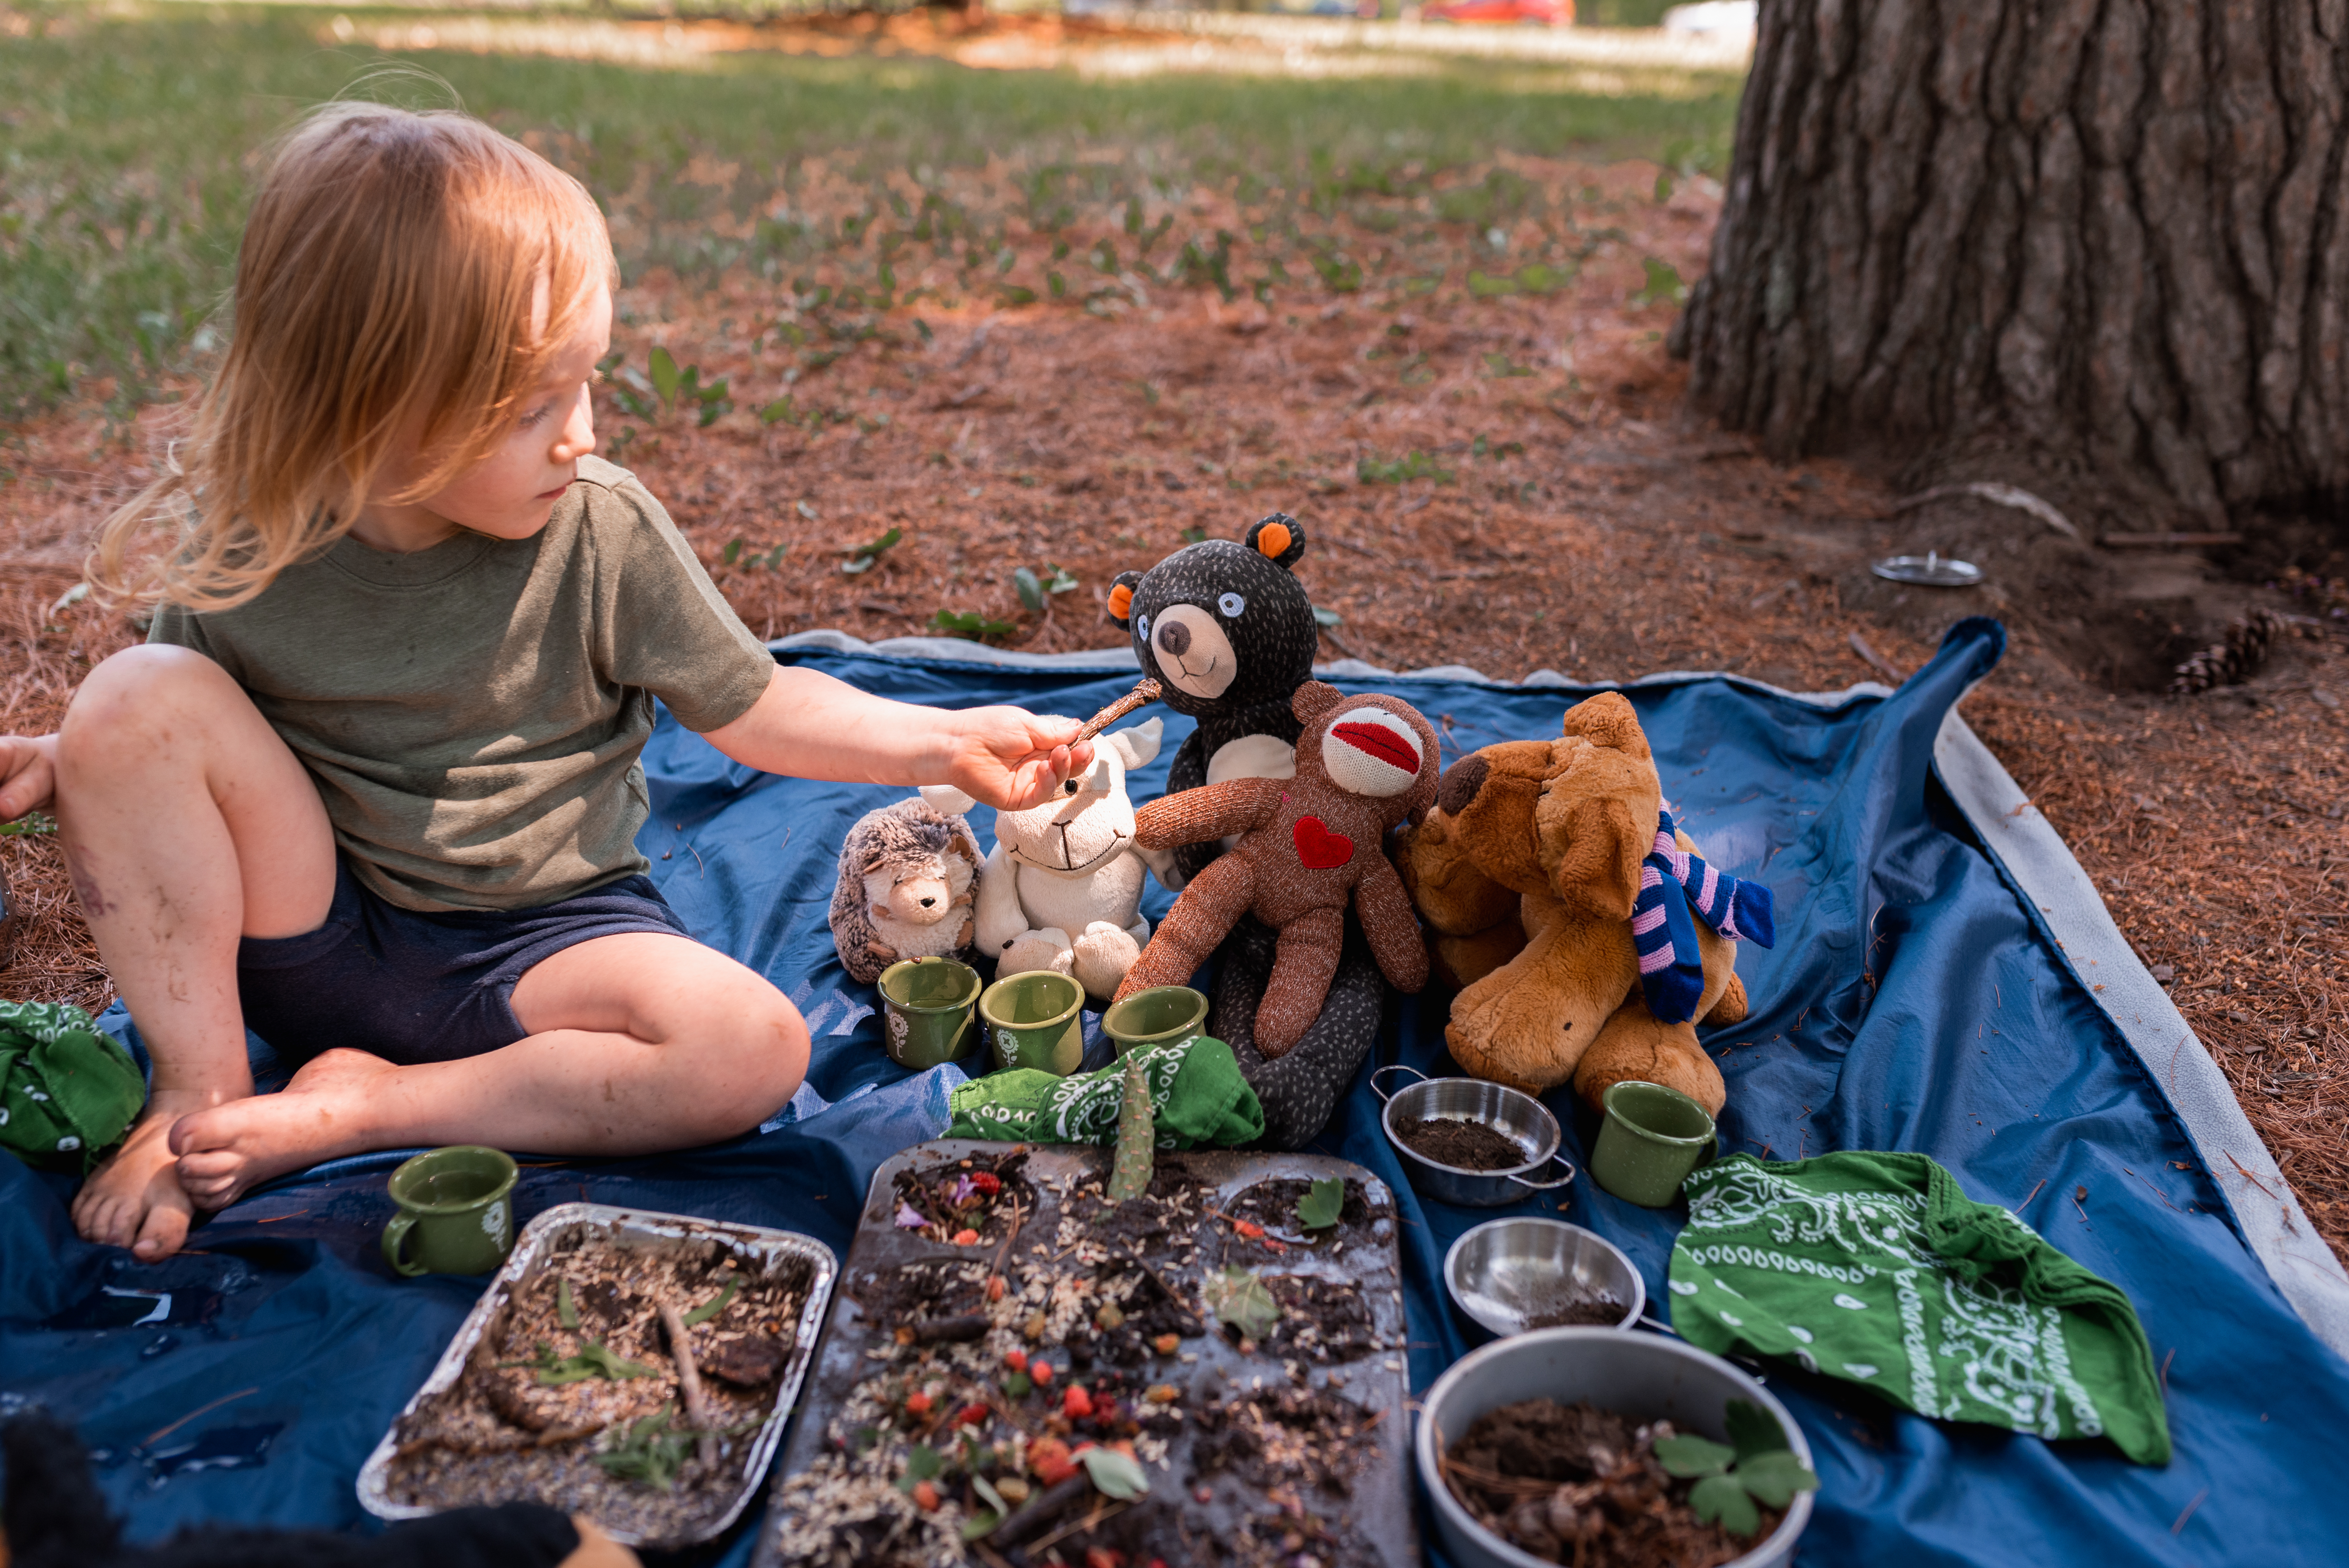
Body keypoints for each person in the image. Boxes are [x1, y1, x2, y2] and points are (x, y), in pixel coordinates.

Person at [0, 102, 1092, 1263]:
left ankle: (358, 1108)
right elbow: (196, 733)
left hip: (549, 946)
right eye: (532, 407)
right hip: (316, 929)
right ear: (368, 404)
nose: (580, 434)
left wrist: (934, 745)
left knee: (750, 1046)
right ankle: (200, 1097)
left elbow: (758, 704)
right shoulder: (257, 546)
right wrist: (85, 762)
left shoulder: (597, 527)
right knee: (128, 693)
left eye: (587, 384)